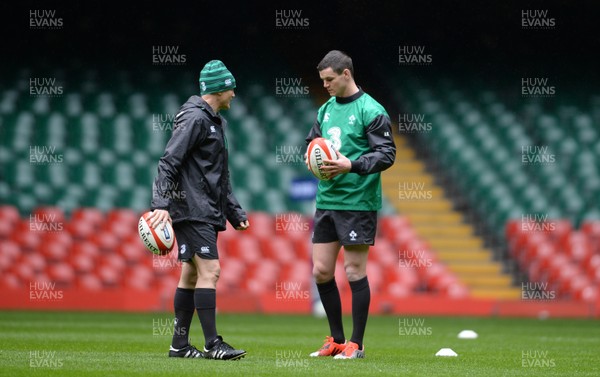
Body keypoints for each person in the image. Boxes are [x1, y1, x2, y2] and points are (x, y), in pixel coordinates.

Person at [148, 60, 249, 360]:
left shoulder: (215, 121)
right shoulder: (194, 119)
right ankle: (212, 344)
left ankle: (179, 345)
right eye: (231, 87)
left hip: (203, 206)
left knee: (191, 274)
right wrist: (160, 205)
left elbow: (220, 175)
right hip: (192, 207)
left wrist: (234, 211)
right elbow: (168, 161)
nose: (234, 93)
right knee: (211, 270)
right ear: (219, 89)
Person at [305, 50, 396, 359]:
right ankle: (336, 340)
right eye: (323, 80)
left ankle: (356, 344)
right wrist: (312, 160)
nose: (326, 85)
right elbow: (312, 144)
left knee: (355, 270)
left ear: (346, 74)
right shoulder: (325, 110)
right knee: (320, 271)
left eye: (329, 79)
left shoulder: (371, 109)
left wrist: (351, 165)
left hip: (358, 201)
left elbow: (386, 153)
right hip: (327, 200)